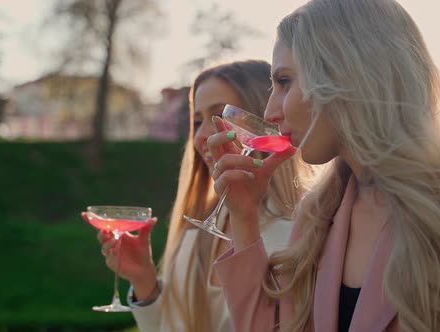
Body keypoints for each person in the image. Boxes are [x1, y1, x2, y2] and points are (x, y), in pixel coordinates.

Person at [208, 1, 440, 331]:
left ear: (349, 75)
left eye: (285, 81)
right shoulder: (317, 216)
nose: (270, 111)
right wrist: (245, 215)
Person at [91, 60, 311, 332]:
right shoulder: (195, 230)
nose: (202, 135)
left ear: (264, 121)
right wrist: (144, 282)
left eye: (219, 117)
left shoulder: (301, 234)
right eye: (197, 121)